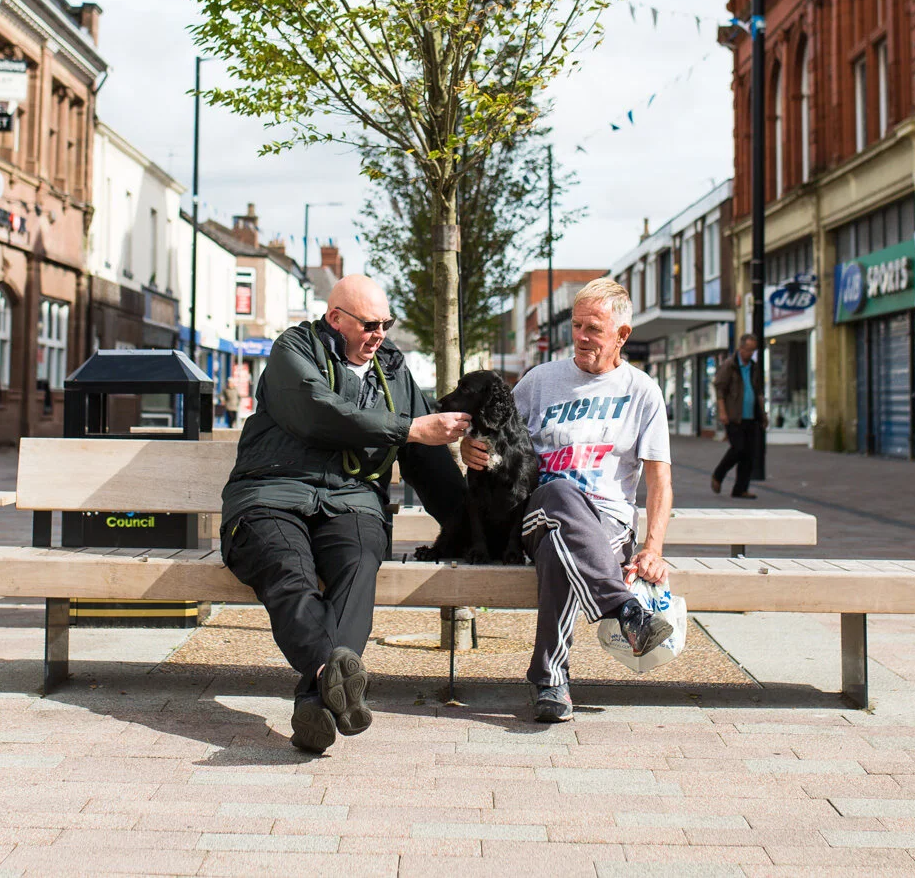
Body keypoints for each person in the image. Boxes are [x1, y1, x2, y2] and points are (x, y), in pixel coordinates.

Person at [219, 275, 471, 753]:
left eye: (386, 324)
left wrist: (474, 527)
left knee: (358, 566)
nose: (380, 335)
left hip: (353, 500)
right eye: (370, 324)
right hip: (271, 493)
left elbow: (426, 459)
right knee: (288, 571)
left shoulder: (393, 372)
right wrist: (410, 426)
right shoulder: (294, 350)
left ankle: (316, 699)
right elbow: (318, 413)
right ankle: (324, 676)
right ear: (335, 318)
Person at [476, 277, 673, 724]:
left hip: (609, 525)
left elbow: (660, 479)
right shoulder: (540, 381)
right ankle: (624, 609)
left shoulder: (642, 392)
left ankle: (549, 679)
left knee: (558, 548)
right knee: (560, 491)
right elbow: (497, 442)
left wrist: (654, 549)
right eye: (577, 326)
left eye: (594, 329)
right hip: (538, 509)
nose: (581, 337)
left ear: (622, 335)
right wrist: (476, 451)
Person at [710, 334, 763, 499]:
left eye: (752, 350)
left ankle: (740, 489)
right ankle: (718, 475)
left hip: (751, 416)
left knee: (749, 453)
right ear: (740, 348)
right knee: (738, 449)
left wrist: (763, 414)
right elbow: (720, 389)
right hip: (734, 415)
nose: (750, 353)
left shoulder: (754, 367)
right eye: (747, 349)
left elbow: (758, 392)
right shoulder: (730, 365)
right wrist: (722, 411)